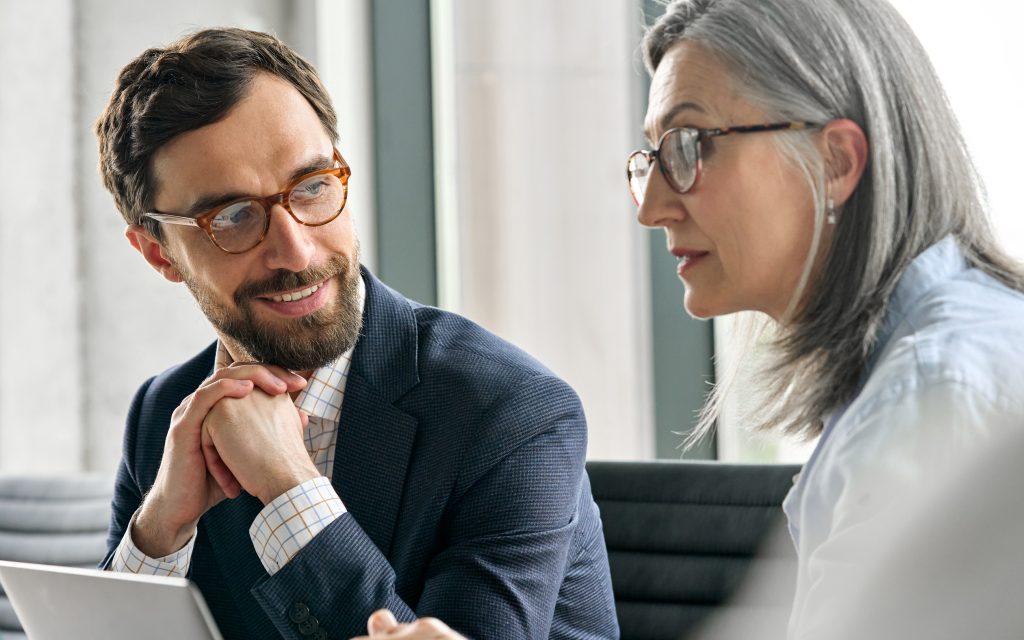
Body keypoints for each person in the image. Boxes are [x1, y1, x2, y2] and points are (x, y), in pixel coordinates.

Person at [361, 0, 1024, 637]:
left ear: (837, 161)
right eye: (652, 157)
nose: (650, 207)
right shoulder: (937, 363)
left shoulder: (931, 397)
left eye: (689, 146)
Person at [95, 28, 617, 640]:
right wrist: (158, 533)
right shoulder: (165, 412)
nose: (295, 249)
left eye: (313, 187)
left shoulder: (510, 412)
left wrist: (291, 489)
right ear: (159, 253)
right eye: (233, 217)